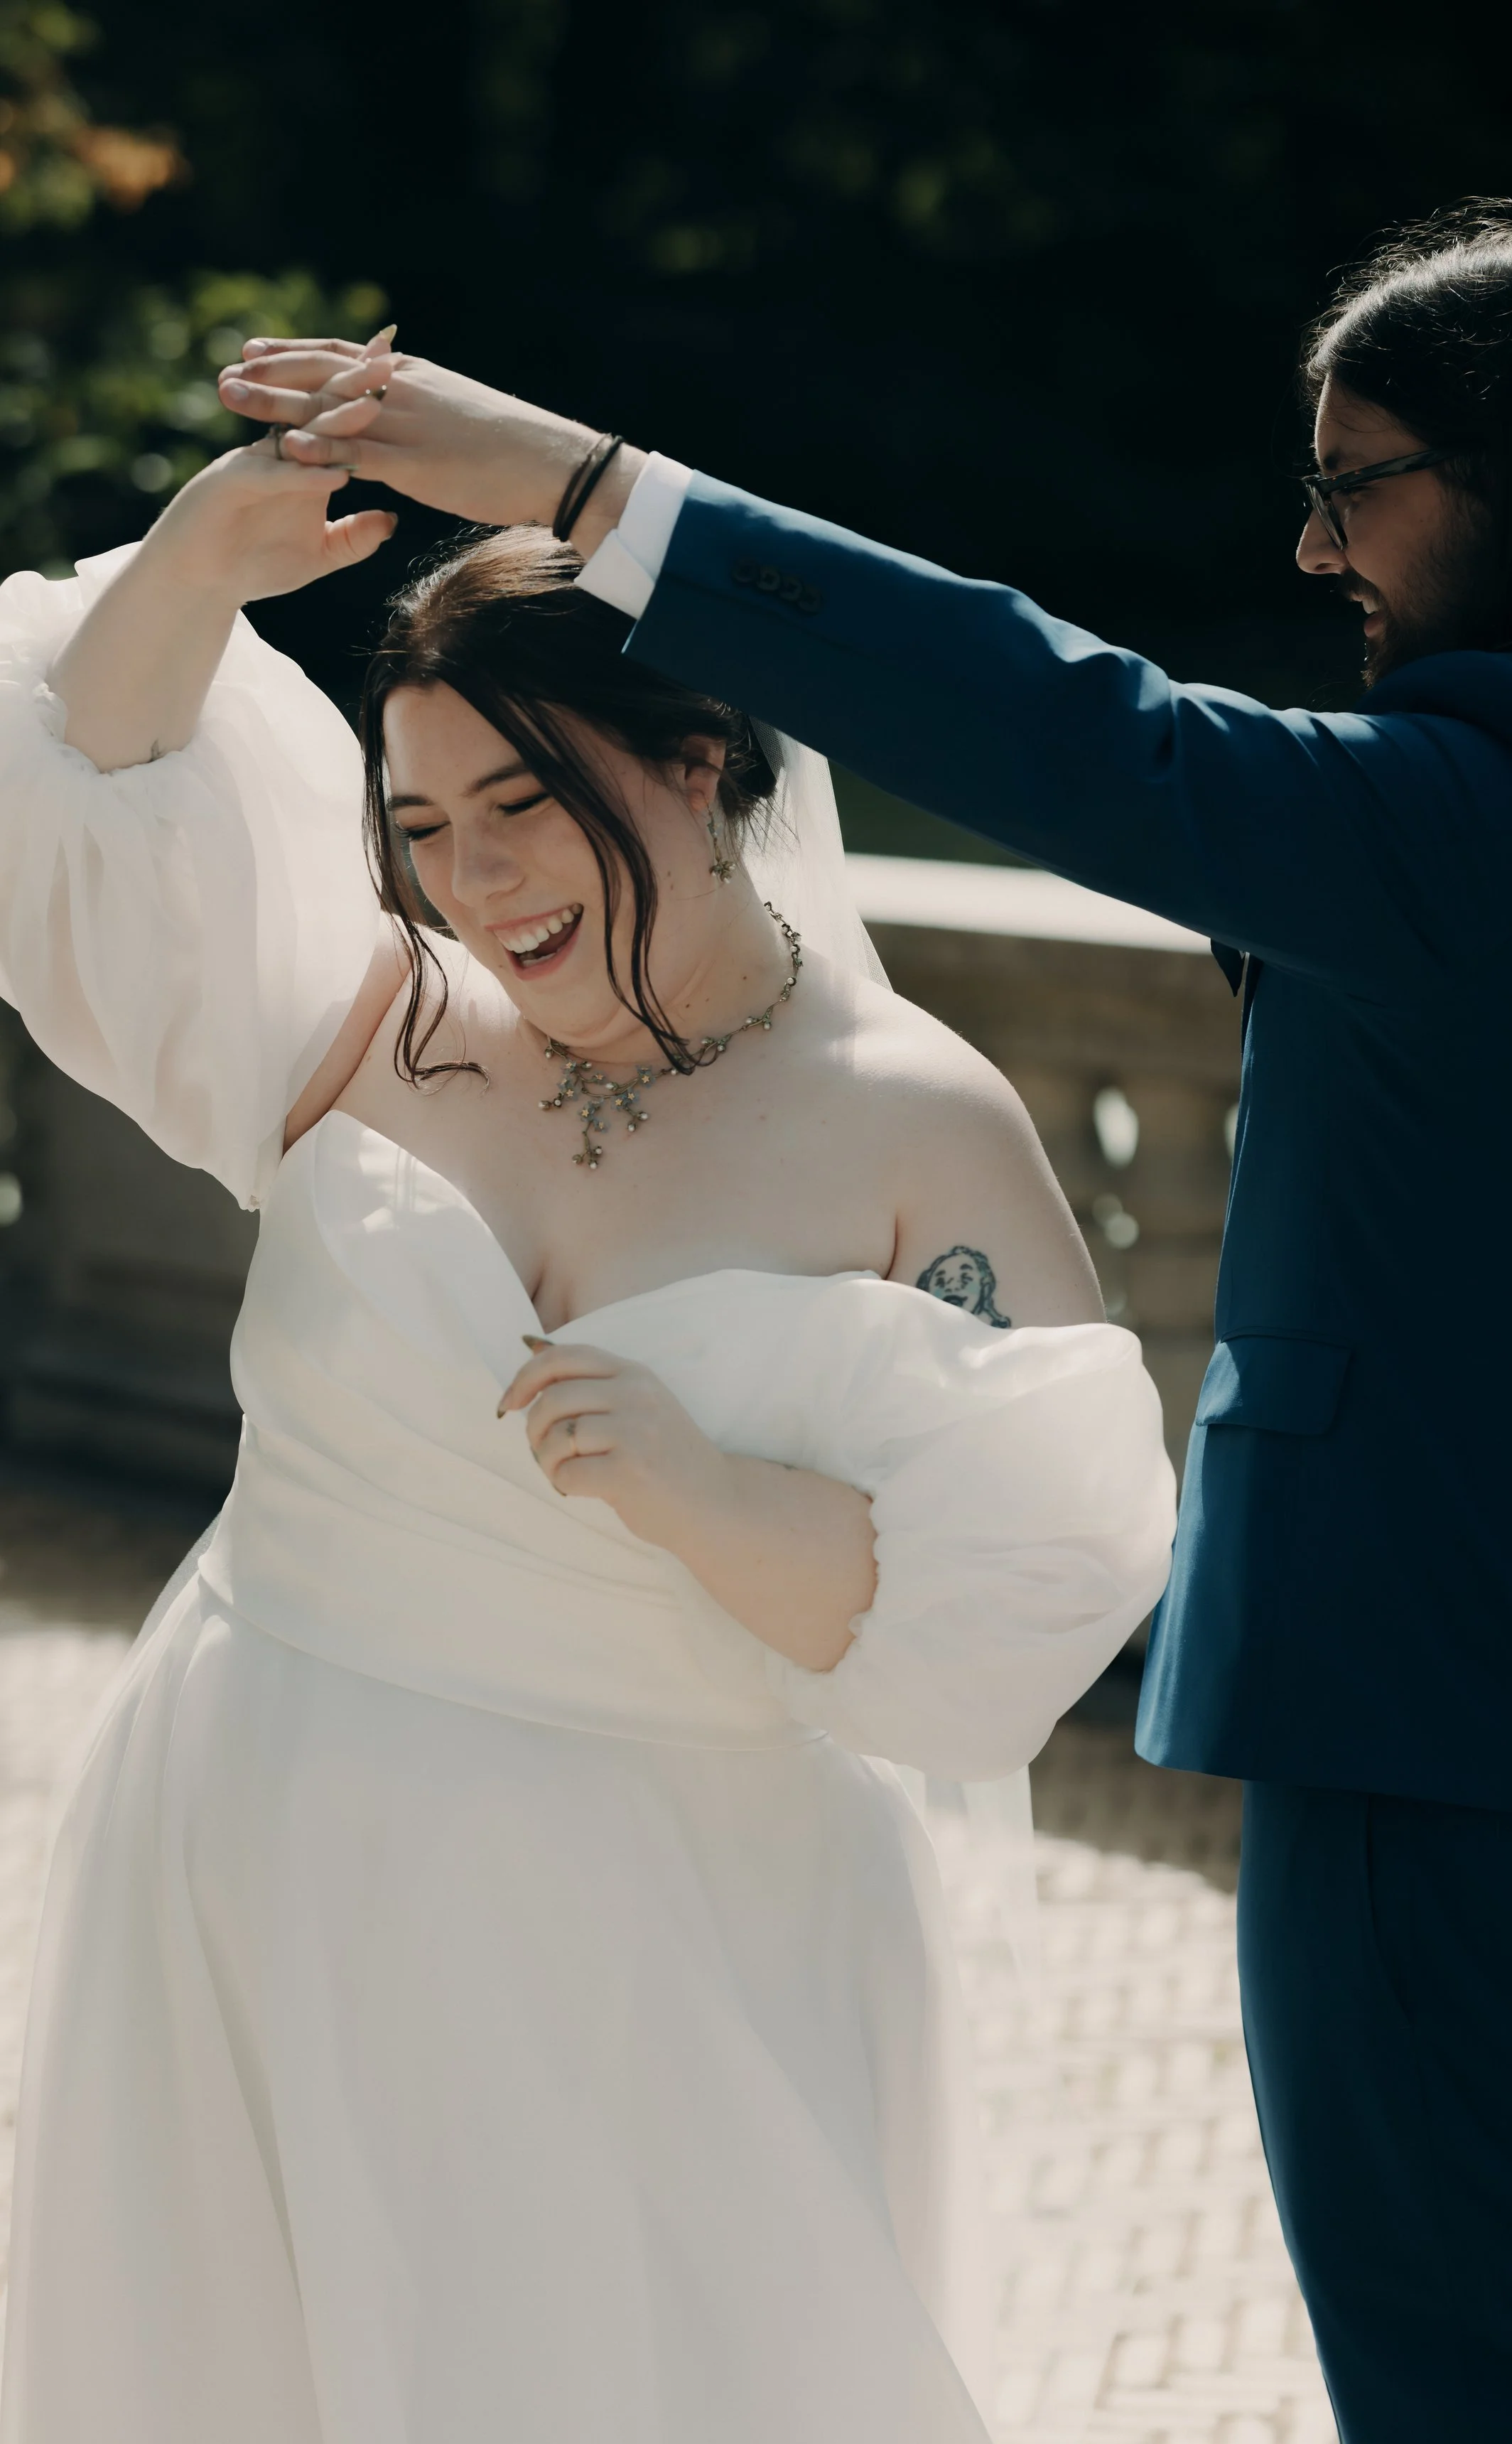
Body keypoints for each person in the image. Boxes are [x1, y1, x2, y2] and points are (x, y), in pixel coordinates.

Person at [222, 199, 1512, 2440]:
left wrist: (586, 487)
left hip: (1460, 1738)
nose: (1324, 555)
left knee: (1507, 2391)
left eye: (1354, 486)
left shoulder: (1494, 814)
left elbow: (1076, 728)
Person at [0, 426, 1178, 2440]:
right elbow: (73, 786)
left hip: (652, 1936)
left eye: (524, 804)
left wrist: (709, 1496)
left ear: (702, 763)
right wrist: (200, 556)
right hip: (245, 1847)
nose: (471, 877)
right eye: (424, 822)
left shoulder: (917, 1123)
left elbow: (1008, 1613)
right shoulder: (382, 1014)